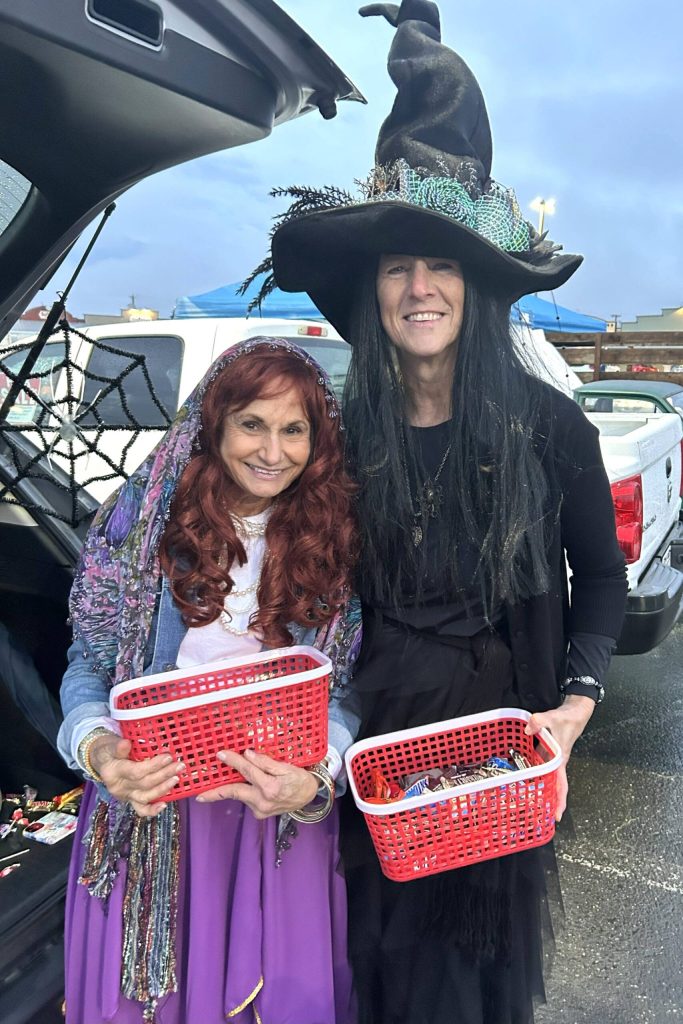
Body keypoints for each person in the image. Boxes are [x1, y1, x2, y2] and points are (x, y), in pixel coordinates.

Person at [255, 2, 629, 1021]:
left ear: (475, 282)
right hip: (369, 749)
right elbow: (273, 574)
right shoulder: (333, 431)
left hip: (497, 752)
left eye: (441, 264)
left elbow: (598, 580)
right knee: (377, 978)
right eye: (396, 265)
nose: (419, 285)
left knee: (474, 989)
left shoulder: (548, 430)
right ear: (372, 287)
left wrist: (574, 703)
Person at [57, 337, 362, 1024]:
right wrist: (100, 753)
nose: (272, 451)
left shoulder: (333, 538)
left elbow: (340, 691)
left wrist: (317, 775)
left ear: (316, 440)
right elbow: (89, 666)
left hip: (274, 814)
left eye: (293, 430)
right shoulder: (138, 528)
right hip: (152, 807)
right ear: (213, 422)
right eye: (252, 423)